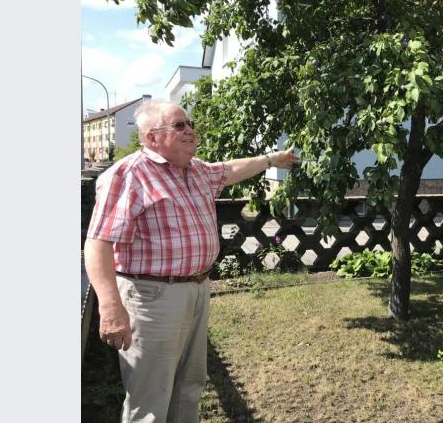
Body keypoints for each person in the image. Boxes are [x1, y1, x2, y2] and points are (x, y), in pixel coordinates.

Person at [84, 100, 298, 422]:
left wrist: (271, 159)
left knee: (189, 386)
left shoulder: (196, 170)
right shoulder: (128, 175)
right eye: (179, 125)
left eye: (190, 123)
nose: (190, 130)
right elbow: (98, 244)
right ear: (151, 137)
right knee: (150, 398)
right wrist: (111, 307)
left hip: (197, 290)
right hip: (151, 298)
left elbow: (232, 169)